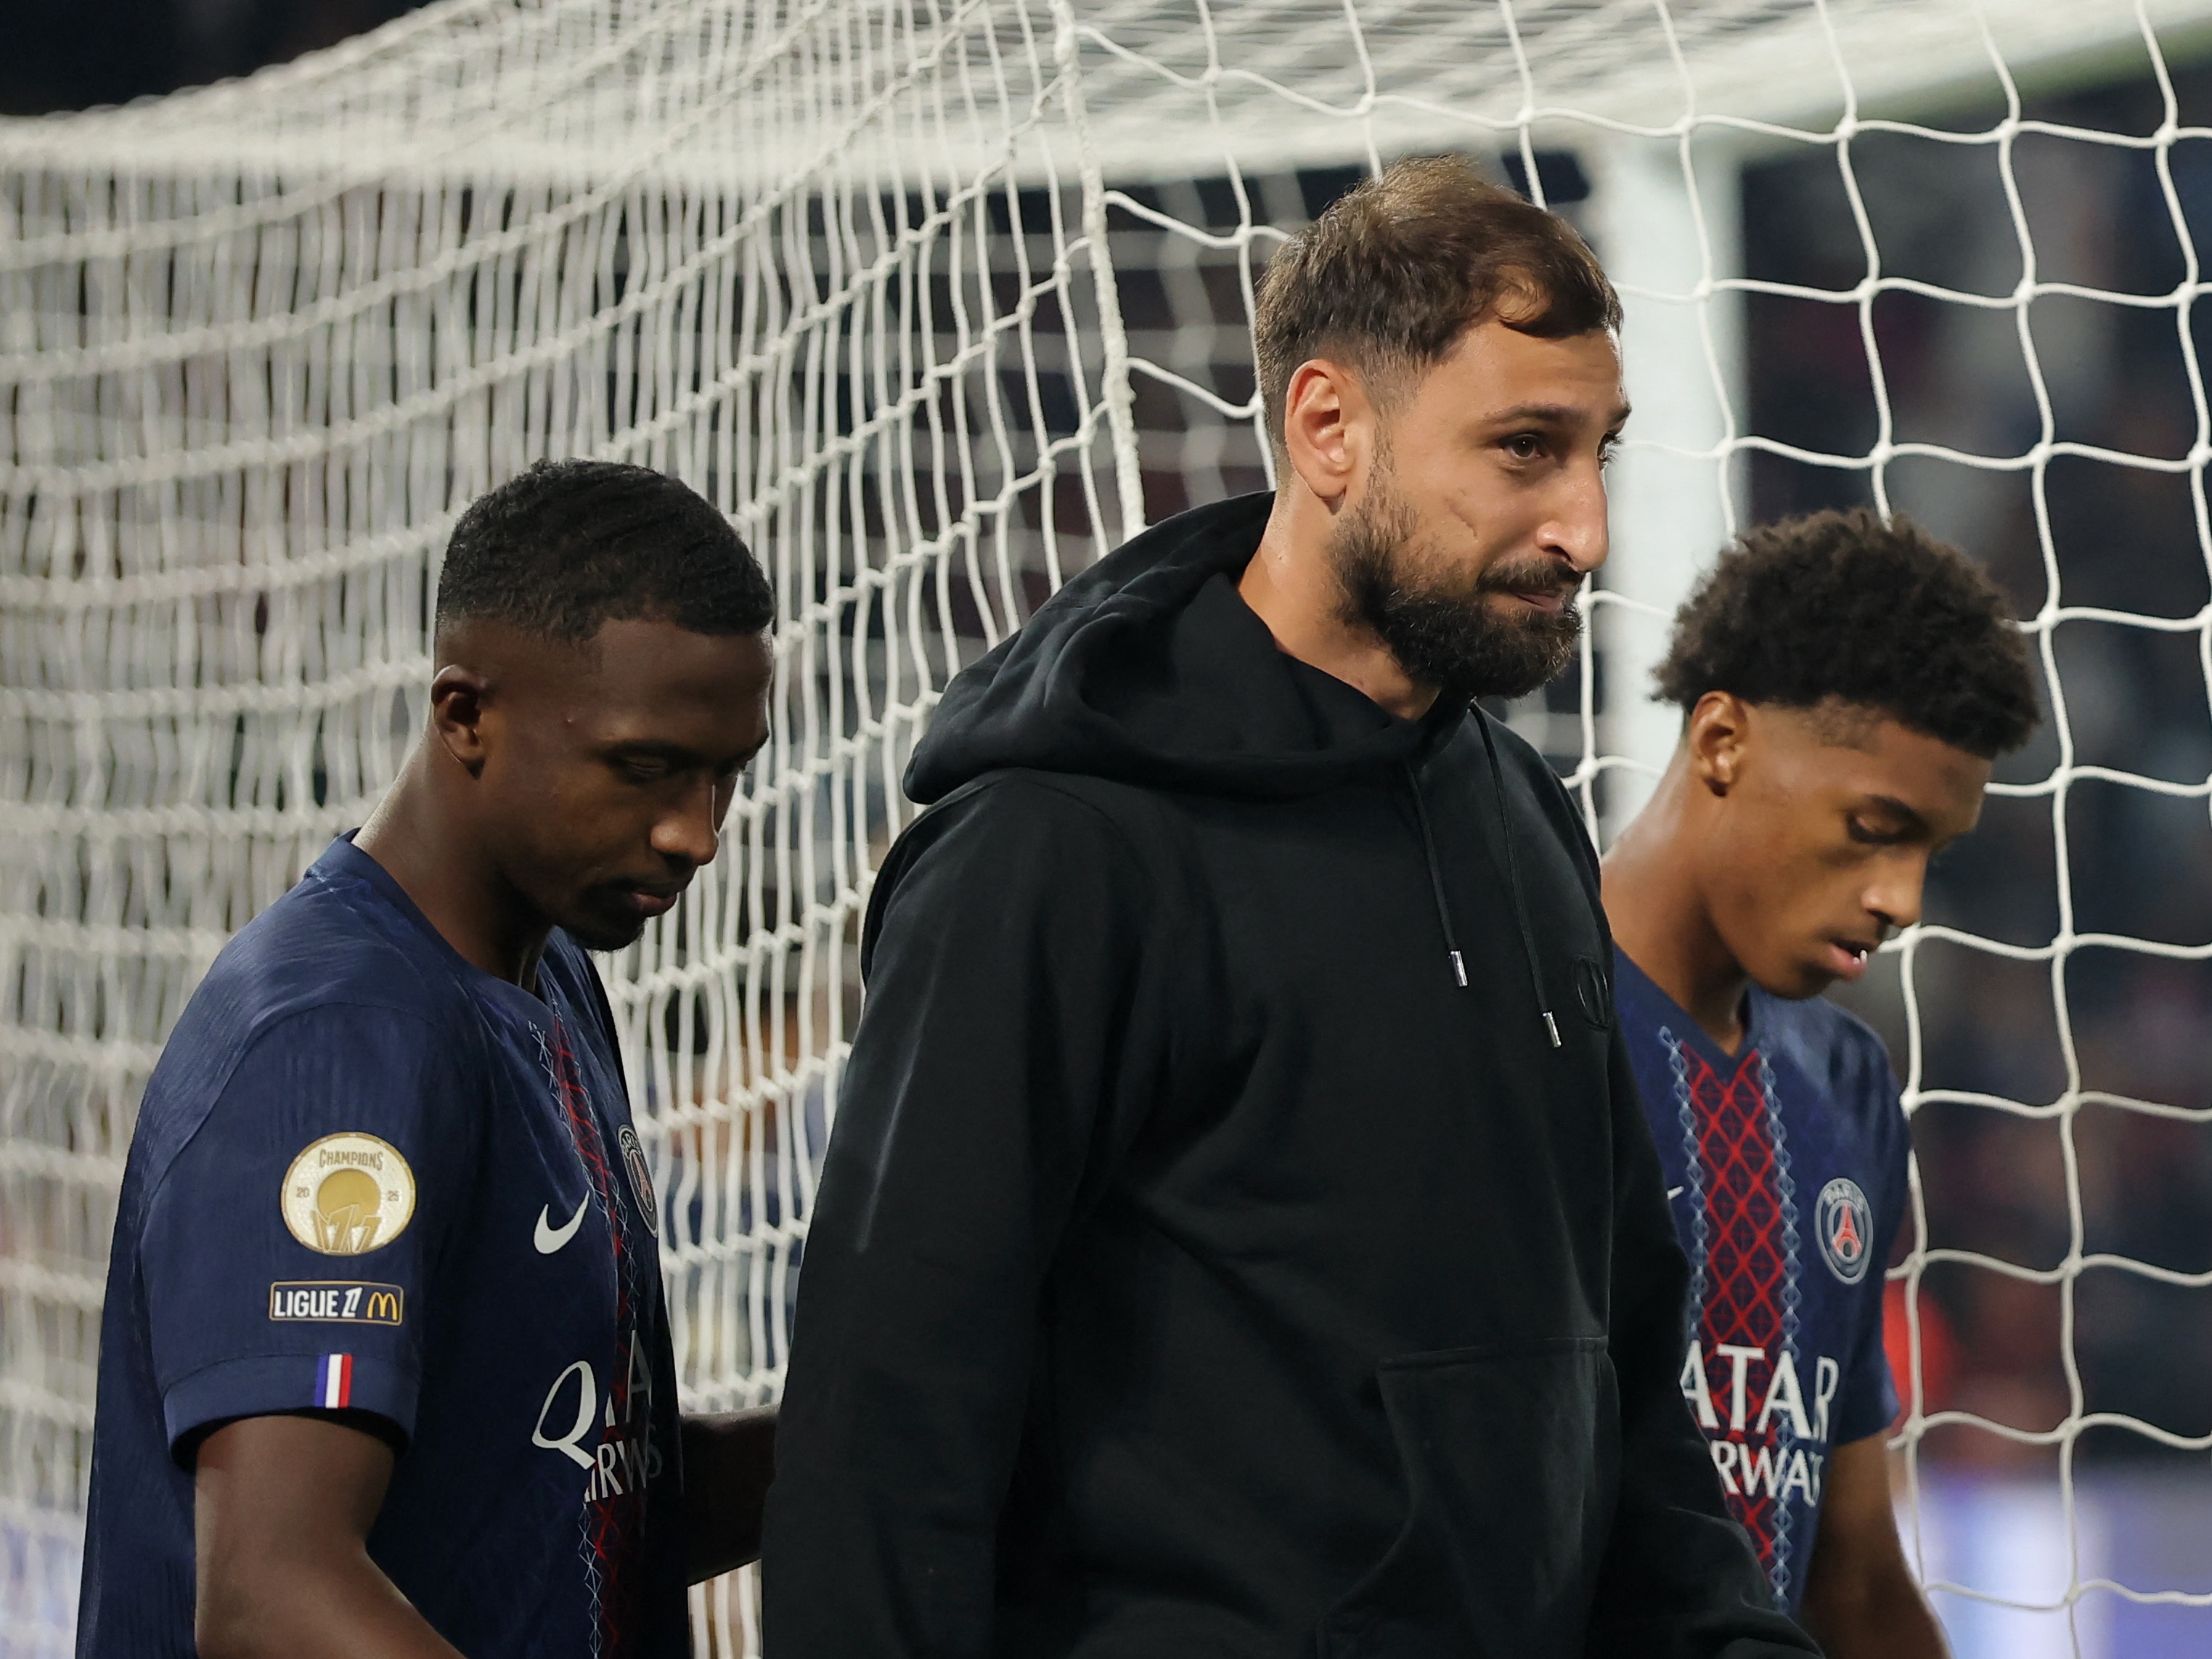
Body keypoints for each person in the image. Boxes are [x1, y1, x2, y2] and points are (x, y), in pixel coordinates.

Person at [764, 158, 1814, 1655]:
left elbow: (1626, 1380)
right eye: (1524, 450)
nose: (1585, 525)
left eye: (1600, 453)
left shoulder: (1517, 819)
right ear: (1329, 428)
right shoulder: (1054, 848)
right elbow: (886, 1441)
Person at [77, 460, 780, 1659]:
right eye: (646, 764)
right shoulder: (334, 1039)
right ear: (465, 716)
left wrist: (933, 1412)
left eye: (726, 772)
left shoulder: (548, 980)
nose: (696, 830)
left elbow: (581, 1508)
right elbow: (272, 1596)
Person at [1601, 509, 2041, 1656]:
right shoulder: (1521, 1010)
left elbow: (1850, 1573)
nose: (1901, 899)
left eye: (1928, 854)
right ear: (1723, 743)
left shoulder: (1842, 1084)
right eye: (1873, 827)